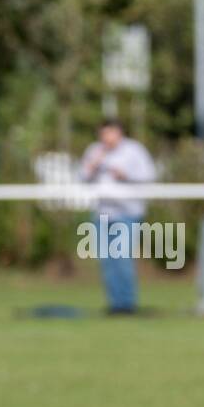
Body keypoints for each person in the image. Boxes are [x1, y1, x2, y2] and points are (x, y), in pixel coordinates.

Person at [80, 118, 157, 314]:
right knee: (107, 260)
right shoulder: (94, 150)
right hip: (102, 214)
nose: (105, 138)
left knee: (122, 259)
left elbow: (149, 176)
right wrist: (94, 163)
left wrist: (126, 176)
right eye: (102, 134)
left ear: (119, 132)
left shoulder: (134, 150)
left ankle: (127, 304)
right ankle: (115, 304)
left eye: (109, 133)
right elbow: (82, 176)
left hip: (127, 213)